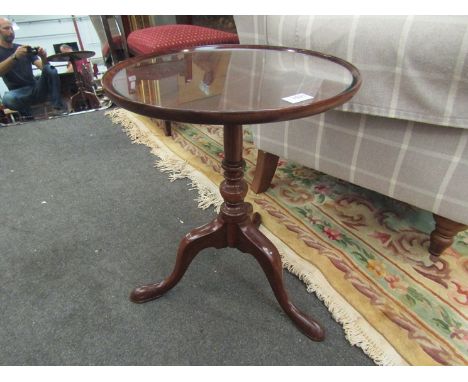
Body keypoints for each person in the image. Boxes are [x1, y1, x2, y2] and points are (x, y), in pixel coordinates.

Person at [0, 17, 66, 120]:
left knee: (50, 68)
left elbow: (44, 68)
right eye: (6, 28)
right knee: (7, 99)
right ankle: (27, 115)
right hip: (17, 92)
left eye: (11, 28)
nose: (11, 32)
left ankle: (58, 107)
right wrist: (15, 57)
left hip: (35, 87)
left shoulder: (23, 48)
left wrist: (43, 57)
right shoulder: (14, 52)